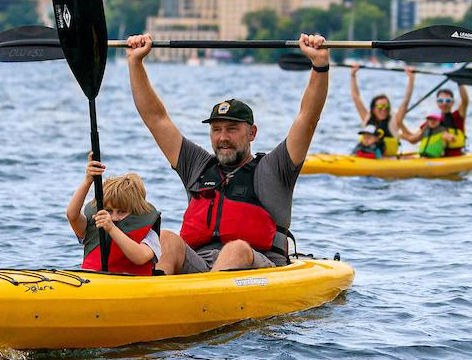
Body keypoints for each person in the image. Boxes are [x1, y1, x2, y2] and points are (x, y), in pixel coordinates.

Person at [125, 32, 329, 274]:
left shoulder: (275, 169)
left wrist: (319, 66)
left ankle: (206, 302)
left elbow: (308, 118)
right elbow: (156, 119)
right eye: (216, 130)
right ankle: (158, 301)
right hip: (200, 265)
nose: (222, 138)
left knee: (236, 249)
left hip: (260, 266)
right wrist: (135, 63)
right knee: (167, 239)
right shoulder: (197, 166)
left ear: (252, 133)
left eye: (232, 130)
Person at [65, 158, 161, 275]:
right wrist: (87, 181)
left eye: (121, 212)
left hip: (132, 285)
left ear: (135, 211)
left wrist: (111, 228)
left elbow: (140, 257)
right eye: (109, 211)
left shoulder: (149, 233)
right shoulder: (94, 224)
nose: (114, 217)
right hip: (94, 282)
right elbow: (72, 215)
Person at [349, 64, 416, 157]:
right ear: (373, 109)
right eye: (380, 107)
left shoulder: (395, 120)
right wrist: (353, 75)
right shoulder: (367, 117)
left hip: (388, 161)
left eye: (386, 106)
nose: (384, 109)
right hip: (364, 159)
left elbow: (405, 101)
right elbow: (356, 97)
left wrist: (411, 79)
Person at [398, 84, 468, 157]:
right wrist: (399, 125)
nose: (444, 103)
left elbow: (465, 100)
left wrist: (460, 83)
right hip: (433, 158)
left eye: (448, 100)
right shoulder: (432, 121)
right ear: (437, 103)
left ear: (453, 102)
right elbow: (413, 139)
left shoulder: (458, 116)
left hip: (455, 158)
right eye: (440, 100)